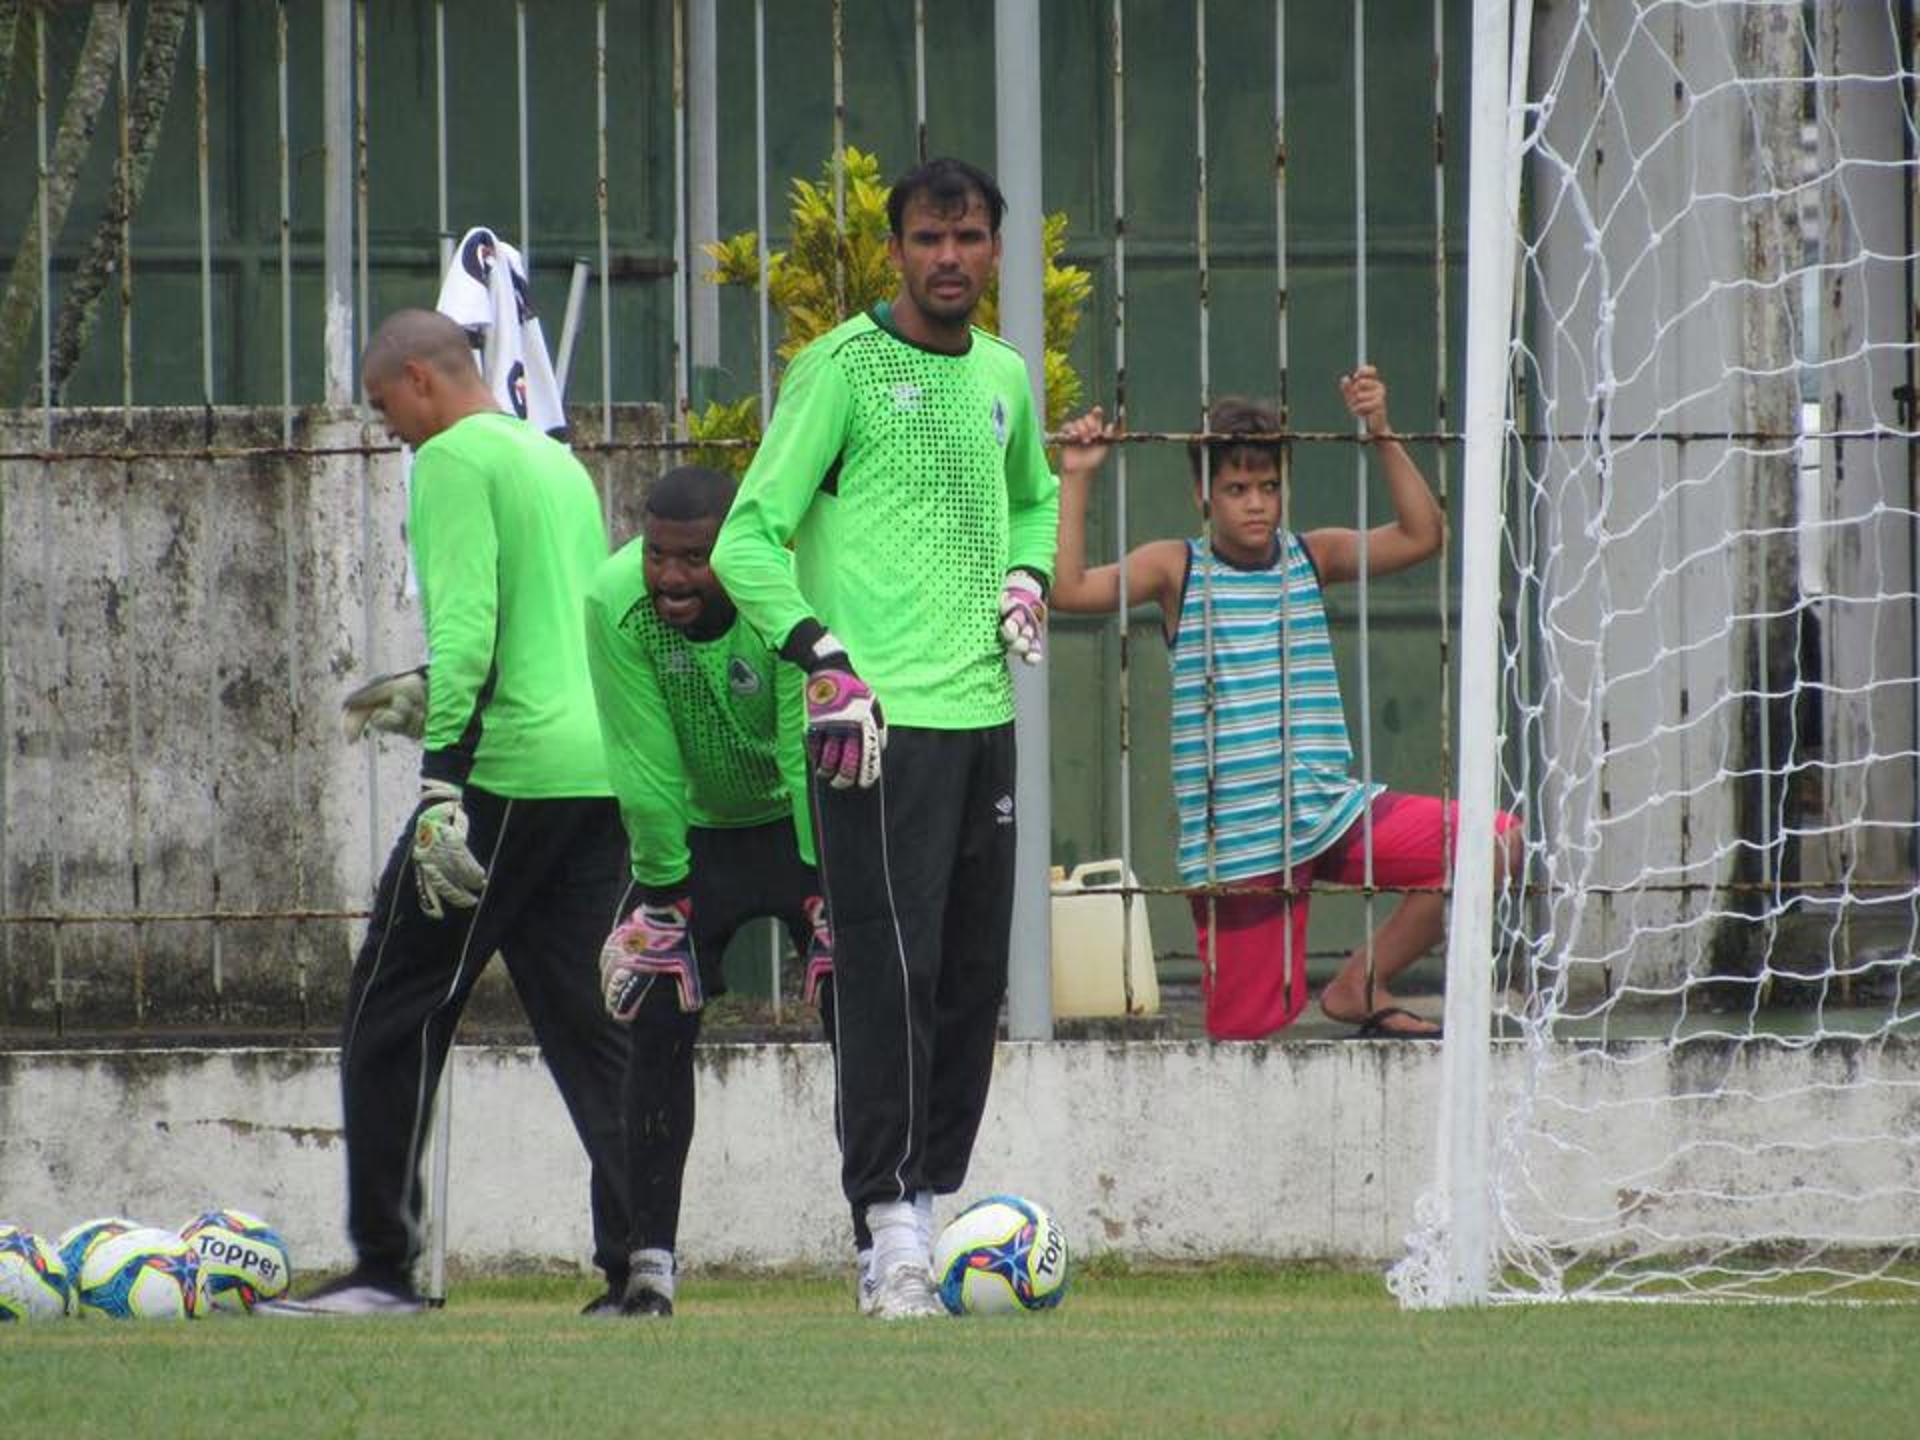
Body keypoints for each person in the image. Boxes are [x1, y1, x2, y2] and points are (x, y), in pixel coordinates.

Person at [710, 156, 1059, 1319]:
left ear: (995, 252)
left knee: (968, 981)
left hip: (983, 720)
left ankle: (934, 1202)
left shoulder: (1006, 375)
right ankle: (888, 1231)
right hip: (870, 726)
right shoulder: (840, 370)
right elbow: (747, 538)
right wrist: (824, 657)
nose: (947, 258)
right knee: (883, 976)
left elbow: (1034, 496)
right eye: (925, 239)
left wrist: (1023, 573)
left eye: (967, 238)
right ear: (895, 251)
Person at [272, 308, 631, 1315]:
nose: (394, 435)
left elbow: (472, 621)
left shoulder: (455, 463)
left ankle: (384, 1268)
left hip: (504, 776)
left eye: (390, 413)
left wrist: (441, 785)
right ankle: (640, 1267)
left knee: (390, 1009)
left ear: (422, 380)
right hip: (592, 773)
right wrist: (435, 686)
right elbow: (557, 623)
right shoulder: (552, 460)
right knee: (587, 1029)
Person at [1050, 368, 1521, 1041]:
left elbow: (1423, 535)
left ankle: (1361, 983)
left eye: (1269, 487)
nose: (1255, 505)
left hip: (1328, 806)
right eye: (1236, 489)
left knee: (1496, 843)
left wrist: (1381, 431)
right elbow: (1067, 591)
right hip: (1241, 847)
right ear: (1202, 494)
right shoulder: (1176, 568)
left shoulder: (1309, 556)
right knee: (1247, 1038)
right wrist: (1078, 475)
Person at [585, 463, 863, 1317]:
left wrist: (822, 888)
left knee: (859, 1023)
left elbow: (797, 739)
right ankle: (643, 1273)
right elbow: (641, 758)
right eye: (659, 555)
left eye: (696, 558)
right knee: (651, 1035)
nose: (672, 577)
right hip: (692, 837)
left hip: (793, 823)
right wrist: (663, 897)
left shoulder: (778, 588)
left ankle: (885, 1252)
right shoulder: (614, 600)